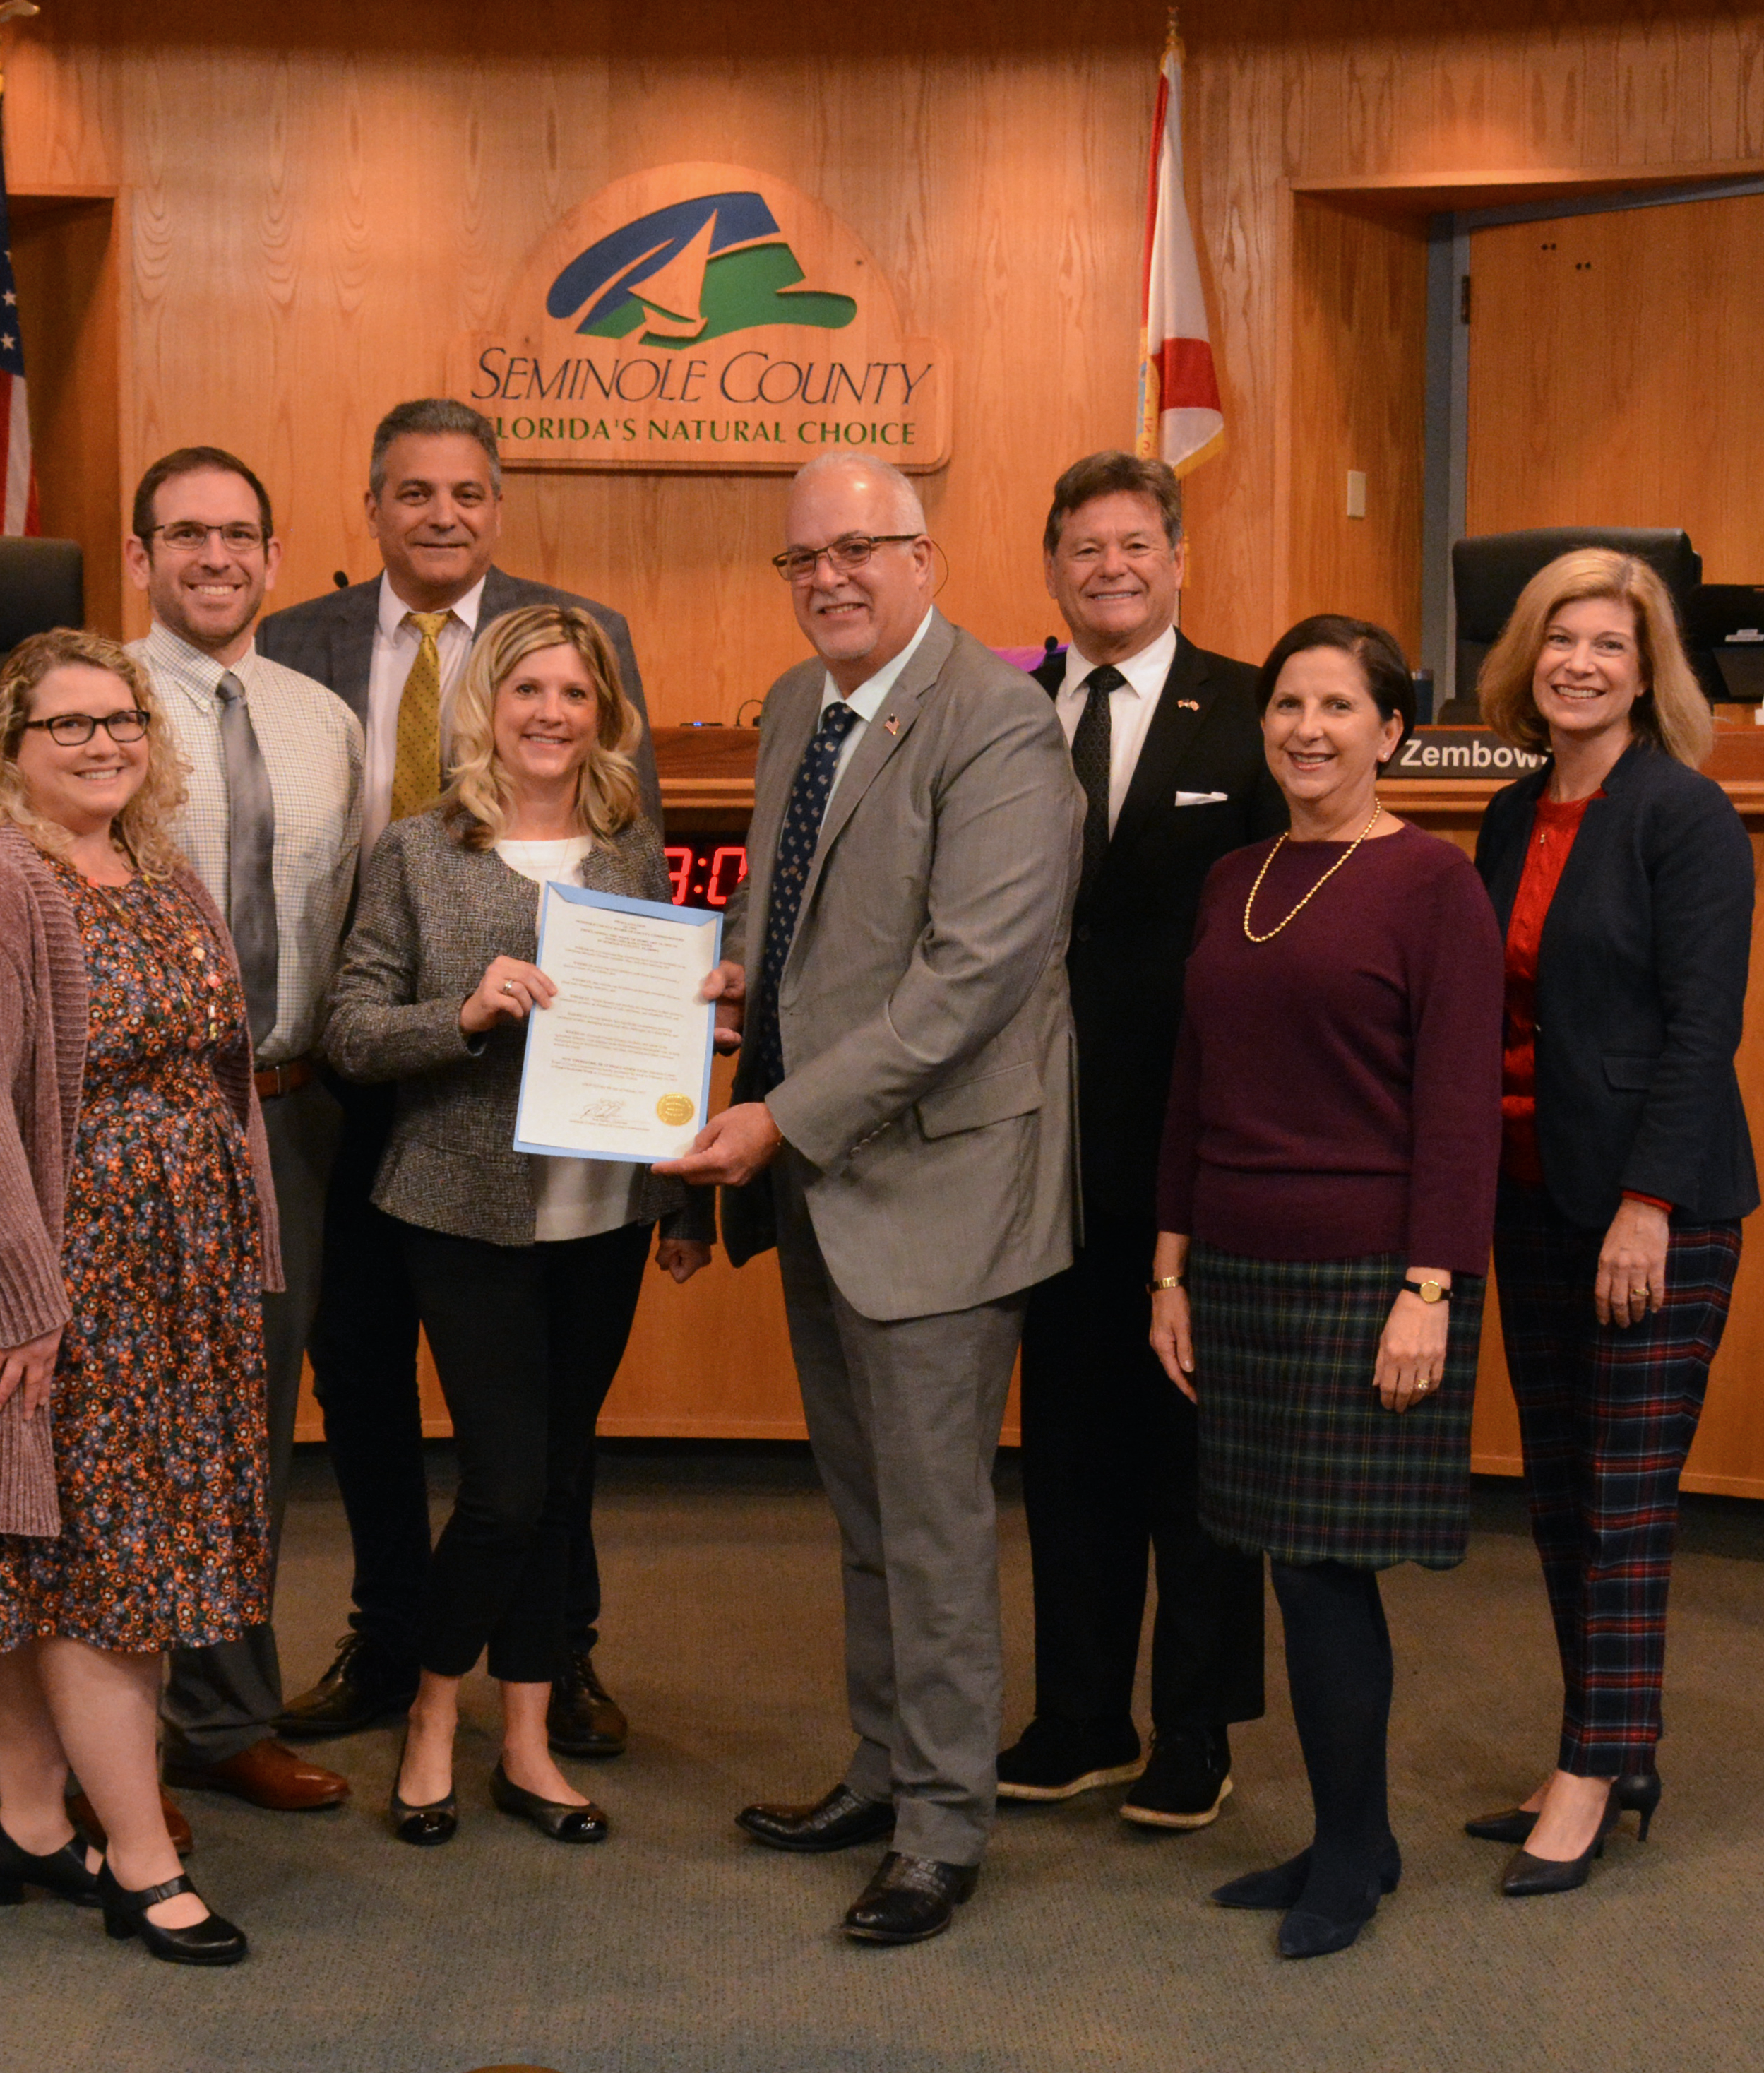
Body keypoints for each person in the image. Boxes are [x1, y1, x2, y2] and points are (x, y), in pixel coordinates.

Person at [661, 451, 1083, 1947]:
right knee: (863, 1509)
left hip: (941, 1186)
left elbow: (969, 980)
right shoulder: (796, 707)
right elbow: (793, 906)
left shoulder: (1001, 725)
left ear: (923, 557)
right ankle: (882, 1766)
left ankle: (941, 1828)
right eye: (802, 558)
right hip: (829, 1178)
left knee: (931, 1523)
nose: (827, 577)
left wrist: (779, 1113)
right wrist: (723, 970)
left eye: (857, 548)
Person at [0, 628, 280, 1966]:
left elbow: (217, 1066)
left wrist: (236, 1240)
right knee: (105, 1573)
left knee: (45, 1559)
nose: (105, 745)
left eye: (124, 723)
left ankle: (33, 1825)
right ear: (10, 744)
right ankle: (144, 1860)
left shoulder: (158, 868)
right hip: (53, 1277)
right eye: (70, 725)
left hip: (175, 1278)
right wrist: (24, 1295)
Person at [260, 398, 660, 1759]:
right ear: (372, 505)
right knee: (363, 1378)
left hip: (572, 1133)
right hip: (350, 1076)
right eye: (414, 492)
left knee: (544, 1437)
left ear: (499, 505)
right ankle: (394, 1637)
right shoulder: (292, 644)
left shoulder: (574, 637)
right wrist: (444, 1013)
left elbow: (632, 855)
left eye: (469, 492)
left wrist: (672, 1001)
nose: (443, 515)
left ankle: (560, 1662)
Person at [322, 602, 710, 1847]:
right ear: (487, 705)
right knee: (502, 1487)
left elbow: (672, 1038)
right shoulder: (418, 851)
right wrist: (469, 1011)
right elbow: (350, 1027)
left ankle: (530, 1740)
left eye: (575, 693)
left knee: (559, 1479)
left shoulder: (628, 848)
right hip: (461, 1205)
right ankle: (437, 1714)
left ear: (603, 713)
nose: (551, 713)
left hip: (602, 1207)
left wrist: (687, 1192)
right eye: (528, 689)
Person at [1146, 614, 1503, 1961]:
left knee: (1321, 1573)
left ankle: (1354, 1846)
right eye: (1288, 703)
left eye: (1338, 707)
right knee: (1278, 1557)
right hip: (1233, 1272)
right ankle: (1351, 1828)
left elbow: (1461, 1107)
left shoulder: (1430, 886)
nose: (1306, 728)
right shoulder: (1235, 873)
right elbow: (1192, 1089)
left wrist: (1430, 1288)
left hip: (1369, 1276)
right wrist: (1167, 1268)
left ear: (1391, 730)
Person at [1460, 548, 1758, 1894]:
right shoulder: (1512, 815)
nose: (1578, 663)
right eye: (1558, 640)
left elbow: (1702, 1031)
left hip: (1655, 1210)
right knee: (1559, 1490)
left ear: (1649, 676)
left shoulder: (1681, 814)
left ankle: (1596, 1765)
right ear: (1525, 659)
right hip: (1531, 1195)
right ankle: (1607, 1736)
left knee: (1624, 1499)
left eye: (1610, 648)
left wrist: (1645, 1204)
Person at [1005, 451, 1283, 1831]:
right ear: (1050, 569)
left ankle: (1195, 1728)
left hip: (1196, 1154)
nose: (1107, 568)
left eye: (1132, 546)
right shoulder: (1004, 714)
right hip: (1037, 1152)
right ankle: (1076, 1717)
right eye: (1081, 550)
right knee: (1064, 1449)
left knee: (1195, 1455)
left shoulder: (1248, 712)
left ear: (1174, 558)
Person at [119, 445, 365, 1819]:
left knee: (249, 1433)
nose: (214, 557)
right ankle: (103, 1731)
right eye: (185, 534)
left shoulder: (321, 719)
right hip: (133, 1120)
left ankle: (221, 1715)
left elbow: (354, 932)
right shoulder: (91, 704)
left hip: (284, 1119)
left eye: (238, 535)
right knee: (126, 1428)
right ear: (144, 553)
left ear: (273, 560)